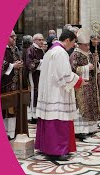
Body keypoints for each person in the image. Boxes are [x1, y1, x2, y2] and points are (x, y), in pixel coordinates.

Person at [35, 29, 87, 161]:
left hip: (49, 91)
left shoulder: (51, 51)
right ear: (67, 40)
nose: (74, 45)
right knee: (58, 120)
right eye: (74, 42)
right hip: (57, 93)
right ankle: (57, 150)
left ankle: (47, 148)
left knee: (50, 119)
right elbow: (65, 75)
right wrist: (79, 80)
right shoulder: (61, 53)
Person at [70, 30, 100, 140]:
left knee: (91, 104)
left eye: (88, 44)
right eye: (85, 45)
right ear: (80, 45)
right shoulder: (75, 54)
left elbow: (96, 69)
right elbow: (72, 70)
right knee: (82, 106)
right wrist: (87, 68)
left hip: (91, 83)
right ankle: (80, 130)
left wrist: (96, 62)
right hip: (80, 84)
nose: (88, 47)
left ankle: (91, 128)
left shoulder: (91, 54)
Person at [1, 30, 23, 140]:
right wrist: (12, 66)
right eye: (11, 36)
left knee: (13, 108)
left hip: (15, 84)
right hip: (5, 84)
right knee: (5, 108)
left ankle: (12, 132)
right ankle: (5, 132)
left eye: (15, 36)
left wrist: (19, 63)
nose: (14, 38)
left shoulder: (15, 49)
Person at [25, 33, 45, 124]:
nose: (41, 41)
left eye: (42, 39)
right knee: (34, 92)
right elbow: (30, 63)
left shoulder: (41, 50)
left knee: (40, 92)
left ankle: (38, 113)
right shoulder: (31, 49)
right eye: (39, 40)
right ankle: (32, 115)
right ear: (34, 40)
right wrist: (41, 62)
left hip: (41, 74)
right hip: (34, 74)